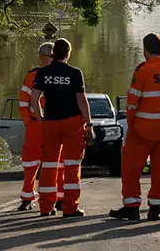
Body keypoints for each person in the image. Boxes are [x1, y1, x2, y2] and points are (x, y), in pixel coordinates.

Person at [110, 33, 160, 222]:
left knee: (131, 168)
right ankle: (155, 208)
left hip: (142, 129)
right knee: (158, 171)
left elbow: (132, 103)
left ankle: (132, 207)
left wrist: (132, 124)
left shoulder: (142, 71)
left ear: (144, 50)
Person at [31, 38, 95, 218]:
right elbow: (81, 101)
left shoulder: (43, 73)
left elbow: (34, 98)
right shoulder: (75, 73)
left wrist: (40, 117)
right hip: (72, 123)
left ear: (53, 55)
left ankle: (45, 207)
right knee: (72, 166)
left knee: (49, 165)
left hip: (50, 122)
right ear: (68, 53)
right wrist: (89, 124)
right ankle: (70, 208)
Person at [17, 42, 54, 211]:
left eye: (54, 56)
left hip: (53, 123)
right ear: (42, 57)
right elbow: (23, 101)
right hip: (35, 124)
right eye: (50, 56)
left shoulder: (59, 74)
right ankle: (27, 197)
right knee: (30, 162)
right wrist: (27, 121)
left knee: (54, 163)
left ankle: (56, 198)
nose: (53, 59)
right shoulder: (33, 75)